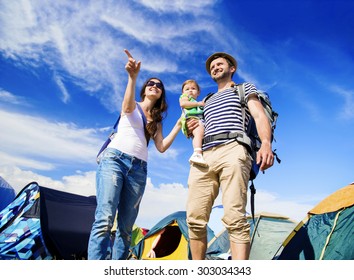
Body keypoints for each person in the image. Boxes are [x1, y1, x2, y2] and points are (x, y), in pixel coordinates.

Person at [88, 49, 181, 260]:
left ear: (161, 94)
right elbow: (126, 105)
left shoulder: (156, 122)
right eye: (151, 84)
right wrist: (133, 77)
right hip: (115, 161)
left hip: (139, 170)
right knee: (105, 219)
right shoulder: (133, 106)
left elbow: (162, 147)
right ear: (144, 90)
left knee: (126, 228)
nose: (154, 86)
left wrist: (178, 123)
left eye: (159, 86)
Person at [186, 52, 274, 260]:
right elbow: (202, 125)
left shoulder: (244, 89)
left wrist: (266, 144)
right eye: (212, 67)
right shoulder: (206, 100)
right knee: (194, 219)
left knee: (235, 218)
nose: (215, 68)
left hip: (234, 149)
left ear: (232, 68)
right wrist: (194, 127)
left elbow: (259, 115)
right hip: (204, 155)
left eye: (219, 64)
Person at [179, 79, 207, 167]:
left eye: (193, 88)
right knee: (199, 131)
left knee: (200, 134)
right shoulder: (185, 98)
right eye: (187, 89)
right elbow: (183, 104)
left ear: (198, 92)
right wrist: (199, 104)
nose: (190, 90)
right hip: (191, 119)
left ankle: (200, 150)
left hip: (198, 119)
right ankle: (197, 153)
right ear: (183, 92)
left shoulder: (196, 102)